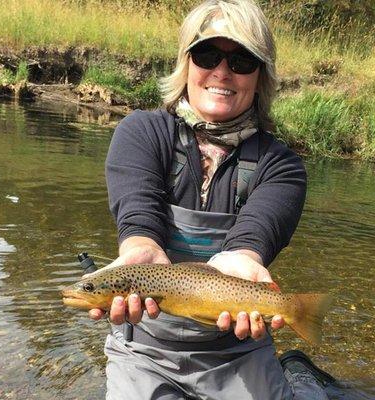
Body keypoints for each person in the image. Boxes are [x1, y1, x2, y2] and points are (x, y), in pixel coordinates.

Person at [90, 1, 330, 399]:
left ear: (261, 76)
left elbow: (253, 236)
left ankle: (294, 373)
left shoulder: (281, 165)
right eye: (207, 55)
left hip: (238, 348)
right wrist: (140, 246)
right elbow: (139, 216)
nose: (222, 71)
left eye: (242, 60)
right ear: (186, 63)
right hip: (144, 350)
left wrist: (242, 261)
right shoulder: (141, 133)